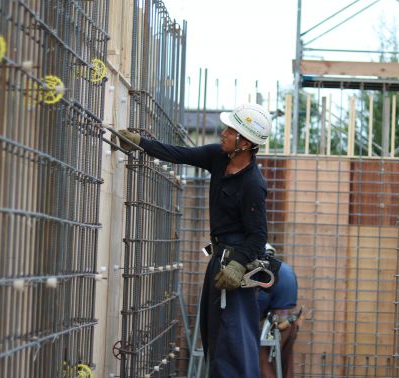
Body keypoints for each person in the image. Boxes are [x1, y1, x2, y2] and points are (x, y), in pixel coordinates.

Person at [118, 103, 272, 378]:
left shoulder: (252, 185)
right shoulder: (218, 157)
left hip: (235, 270)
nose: (223, 134)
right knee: (214, 334)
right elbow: (180, 154)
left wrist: (237, 266)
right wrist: (141, 144)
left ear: (245, 142)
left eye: (230, 131)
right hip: (219, 262)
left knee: (233, 339)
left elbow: (258, 236)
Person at [258, 243, 300, 378]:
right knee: (285, 362)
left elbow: (263, 299)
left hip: (276, 323)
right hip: (291, 321)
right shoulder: (287, 268)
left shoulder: (268, 271)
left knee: (264, 360)